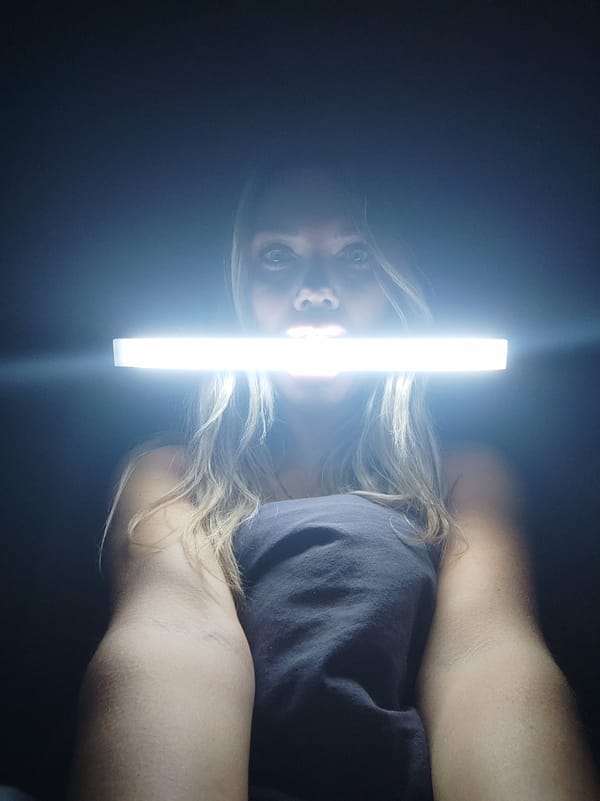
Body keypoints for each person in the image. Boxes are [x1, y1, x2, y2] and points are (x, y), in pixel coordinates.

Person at [68, 156, 599, 801]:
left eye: (354, 257)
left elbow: (487, 656)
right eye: (276, 258)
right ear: (238, 289)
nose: (314, 288)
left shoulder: (462, 478)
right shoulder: (175, 475)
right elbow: (172, 634)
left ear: (393, 283)